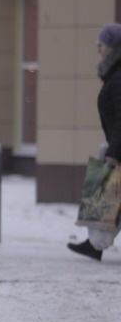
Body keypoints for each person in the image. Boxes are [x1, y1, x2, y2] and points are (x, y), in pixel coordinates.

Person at [68, 22, 121, 261]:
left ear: (113, 46)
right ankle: (95, 244)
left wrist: (114, 151)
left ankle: (95, 245)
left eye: (102, 44)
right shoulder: (114, 73)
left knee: (109, 193)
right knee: (111, 196)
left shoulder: (119, 76)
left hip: (119, 148)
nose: (98, 48)